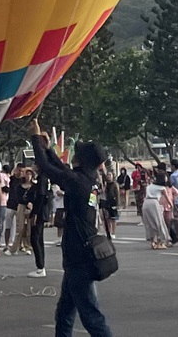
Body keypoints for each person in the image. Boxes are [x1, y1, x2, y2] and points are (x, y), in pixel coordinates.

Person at [27, 124, 112, 337]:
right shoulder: (87, 180)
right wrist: (47, 148)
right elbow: (61, 170)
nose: (74, 153)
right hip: (81, 254)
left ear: (82, 160)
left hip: (79, 258)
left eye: (78, 152)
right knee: (65, 312)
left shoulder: (78, 182)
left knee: (91, 316)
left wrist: (36, 139)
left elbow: (47, 168)